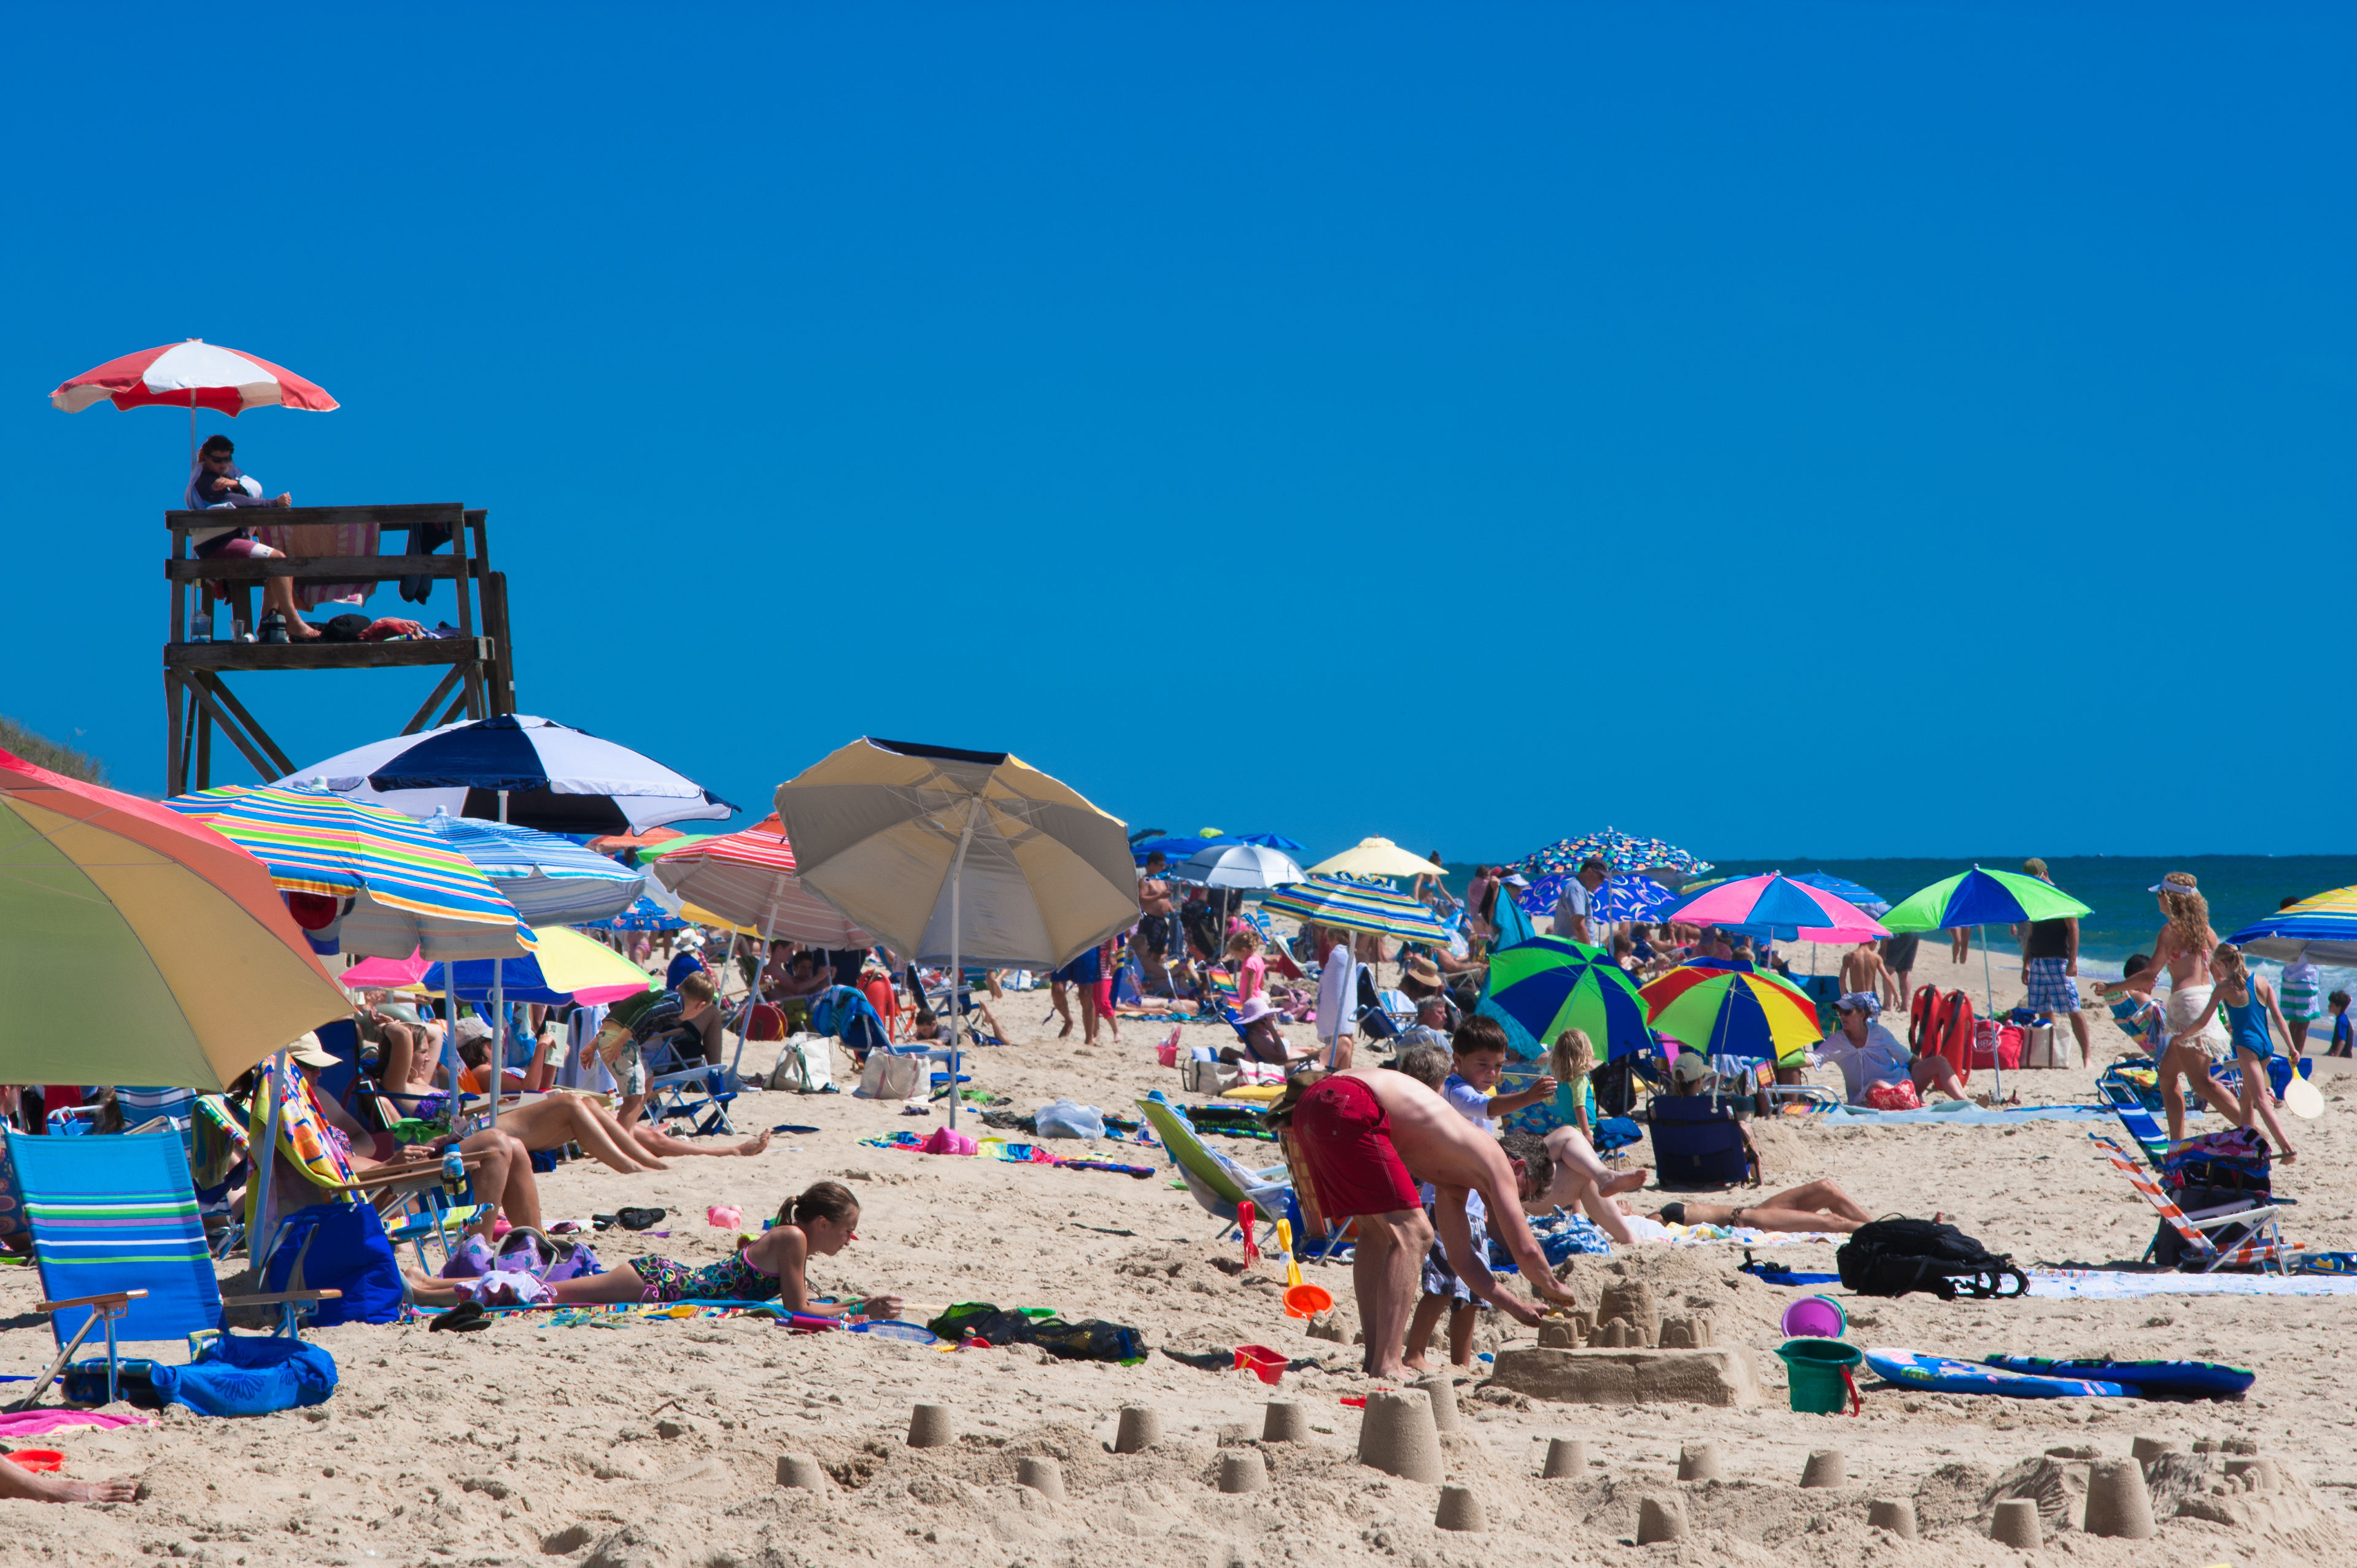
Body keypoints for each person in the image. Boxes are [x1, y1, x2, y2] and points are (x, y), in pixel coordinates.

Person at [1285, 1067, 1581, 1376]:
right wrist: (1554, 1285)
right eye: (1524, 1194)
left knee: (1377, 1233)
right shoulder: (1494, 1158)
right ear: (1519, 1168)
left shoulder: (1454, 1176)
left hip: (1312, 1104)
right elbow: (1527, 1249)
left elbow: (1462, 1261)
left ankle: (1375, 1357)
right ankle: (1388, 1362)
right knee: (1415, 1233)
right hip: (1351, 1101)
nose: (1516, 1202)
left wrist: (1516, 1306)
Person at [406, 1180, 904, 1315]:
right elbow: (801, 1310)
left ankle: (430, 1283)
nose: (849, 1239)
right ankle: (426, 1293)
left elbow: (805, 1302)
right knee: (540, 1294)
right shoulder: (794, 1238)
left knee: (541, 1288)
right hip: (659, 1282)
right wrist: (863, 1308)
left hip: (661, 1276)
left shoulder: (793, 1237)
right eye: (847, 1230)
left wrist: (858, 1306)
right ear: (822, 1222)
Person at [2101, 873, 2234, 1143]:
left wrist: (2112, 987)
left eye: (2160, 894)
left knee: (2202, 1083)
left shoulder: (2171, 930)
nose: (2158, 899)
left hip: (2187, 1009)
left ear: (2170, 898)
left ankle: (2254, 1129)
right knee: (2167, 1076)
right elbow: (2221, 976)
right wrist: (2231, 1013)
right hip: (2205, 1004)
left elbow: (2149, 975)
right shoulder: (2207, 932)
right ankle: (2177, 1142)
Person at [185, 433, 320, 642]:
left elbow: (251, 488)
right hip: (216, 544)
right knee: (277, 560)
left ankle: (268, 621)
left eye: (227, 459)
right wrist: (273, 504)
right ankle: (292, 620)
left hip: (232, 540)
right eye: (217, 460)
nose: (223, 465)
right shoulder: (204, 481)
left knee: (278, 566)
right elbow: (235, 501)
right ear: (205, 458)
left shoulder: (229, 475)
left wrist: (235, 483)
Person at [2171, 942, 2299, 1161]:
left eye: (2217, 967)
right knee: (2246, 1099)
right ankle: (2250, 1143)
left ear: (2222, 963)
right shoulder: (2261, 981)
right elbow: (2278, 1017)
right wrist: (2292, 1047)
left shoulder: (2224, 988)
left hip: (2247, 1048)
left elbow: (2203, 1020)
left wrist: (2182, 1036)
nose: (2216, 972)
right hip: (2266, 1047)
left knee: (2260, 1100)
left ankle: (2287, 1150)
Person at [2013, 859, 2091, 1067]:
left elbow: (2073, 928)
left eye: (2035, 878)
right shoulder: (2033, 899)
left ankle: (2087, 1057)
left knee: (2073, 1009)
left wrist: (2073, 961)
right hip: (2037, 960)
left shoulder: (2062, 895)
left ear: (2045, 873)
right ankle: (2054, 1055)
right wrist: (2026, 964)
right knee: (2043, 1010)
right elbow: (2031, 934)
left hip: (2059, 959)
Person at [1440, 1016, 1555, 1129]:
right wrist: (1528, 1097)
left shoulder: (1471, 1088)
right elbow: (1490, 1107)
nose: (1492, 1073)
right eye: (1483, 1064)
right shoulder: (1455, 1091)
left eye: (1499, 1065)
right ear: (1458, 1060)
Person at [1652, 1179, 1872, 1235]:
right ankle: (1886, 1236)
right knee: (1834, 1223)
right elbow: (1637, 1231)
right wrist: (1625, 1215)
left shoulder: (1640, 1217)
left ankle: (1888, 1230)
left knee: (1828, 1189)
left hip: (1751, 1211)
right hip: (1746, 1222)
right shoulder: (1640, 1223)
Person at [2274, 902, 2324, 1057]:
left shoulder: (2282, 928)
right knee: (2303, 1023)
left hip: (2288, 979)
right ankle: (2298, 1057)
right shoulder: (2306, 926)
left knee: (2294, 1022)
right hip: (2305, 979)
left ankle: (2292, 1054)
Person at [1312, 925, 1362, 1069]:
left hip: (1338, 1005)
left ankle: (1340, 1069)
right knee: (1348, 1037)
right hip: (1348, 1005)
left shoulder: (1338, 954)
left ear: (1334, 938)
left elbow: (1329, 980)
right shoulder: (1350, 953)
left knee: (1339, 1039)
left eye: (1329, 939)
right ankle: (1346, 1069)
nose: (1328, 943)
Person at [1136, 852, 1177, 994]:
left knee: (1159, 952)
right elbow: (1142, 899)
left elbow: (1165, 901)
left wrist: (1173, 912)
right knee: (1148, 952)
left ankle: (1152, 981)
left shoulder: (1161, 880)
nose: (1164, 867)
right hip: (1150, 920)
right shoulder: (1145, 880)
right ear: (1152, 865)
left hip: (1161, 920)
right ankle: (1141, 980)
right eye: (1161, 865)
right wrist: (1160, 896)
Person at [1552, 859, 1606, 944]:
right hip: (1573, 950)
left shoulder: (1578, 888)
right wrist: (1588, 952)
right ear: (1589, 871)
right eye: (1601, 877)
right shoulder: (1576, 889)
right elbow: (1578, 925)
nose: (1602, 882)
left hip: (1573, 949)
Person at [1838, 940, 1897, 1011]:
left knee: (1857, 1022)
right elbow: (1886, 977)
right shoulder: (1876, 957)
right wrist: (1896, 995)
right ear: (1874, 942)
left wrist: (1844, 997)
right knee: (1872, 1021)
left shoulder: (1849, 956)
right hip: (1871, 997)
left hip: (1857, 997)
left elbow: (1842, 979)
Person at [1879, 931, 1920, 1006]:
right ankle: (1905, 1006)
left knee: (1889, 970)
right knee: (1904, 972)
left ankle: (1887, 1005)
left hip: (1898, 932)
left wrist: (1883, 948)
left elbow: (1886, 925)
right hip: (1913, 932)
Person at [2327, 990, 2354, 1059]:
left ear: (2339, 1007)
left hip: (2344, 1055)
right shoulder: (2341, 1018)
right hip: (2340, 1054)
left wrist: (2336, 1056)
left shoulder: (2342, 1020)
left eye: (2332, 1005)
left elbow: (2342, 1041)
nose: (2329, 1006)